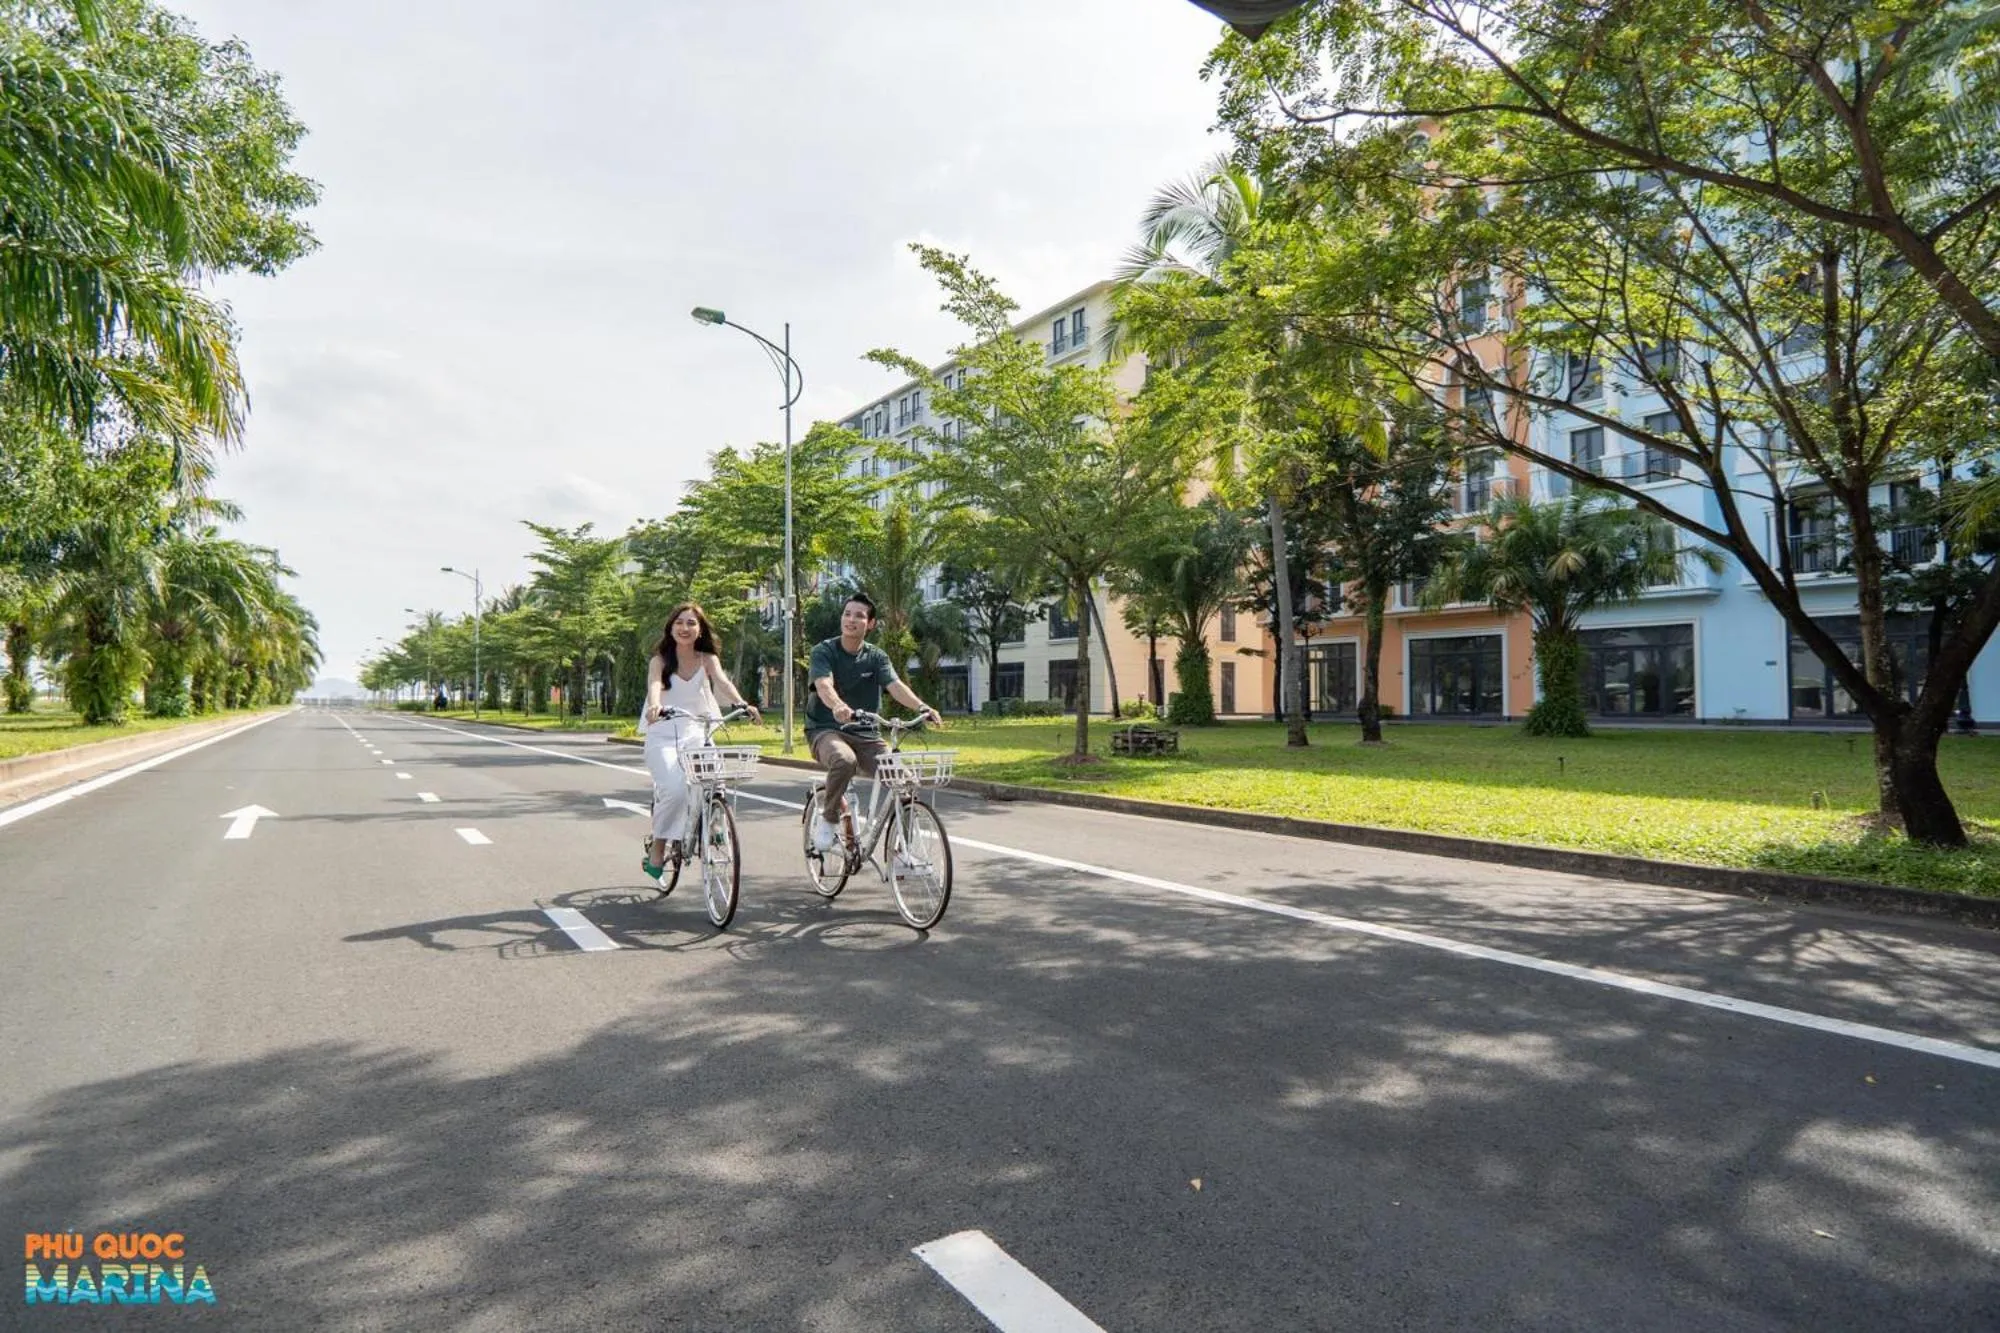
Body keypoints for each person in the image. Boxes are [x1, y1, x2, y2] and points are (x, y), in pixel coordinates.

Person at [805, 591, 940, 852]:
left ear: (871, 624)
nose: (851, 620)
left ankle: (902, 845)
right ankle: (829, 818)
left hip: (867, 734)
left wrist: (923, 707)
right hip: (826, 729)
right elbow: (823, 685)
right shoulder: (824, 651)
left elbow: (895, 685)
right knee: (844, 760)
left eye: (859, 616)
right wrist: (838, 706)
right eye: (847, 614)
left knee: (906, 781)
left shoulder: (876, 657)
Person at [640, 603, 759, 879]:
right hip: (663, 732)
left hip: (697, 730)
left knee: (715, 779)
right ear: (671, 627)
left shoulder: (707, 659)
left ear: (700, 629)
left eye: (691, 623)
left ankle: (715, 821)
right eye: (679, 622)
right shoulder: (659, 660)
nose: (685, 628)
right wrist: (655, 705)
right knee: (674, 789)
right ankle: (658, 846)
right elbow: (654, 685)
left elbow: (723, 683)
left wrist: (742, 703)